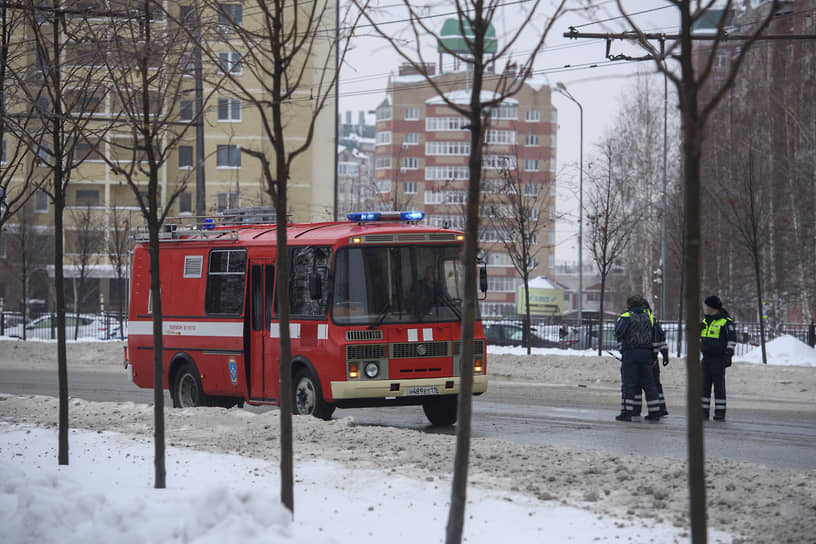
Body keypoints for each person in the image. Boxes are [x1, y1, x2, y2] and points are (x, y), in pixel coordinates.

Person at [614, 294, 662, 422]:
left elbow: (618, 332)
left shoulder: (626, 316)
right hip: (646, 354)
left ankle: (626, 412)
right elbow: (655, 334)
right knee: (649, 384)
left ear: (629, 305)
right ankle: (654, 412)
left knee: (629, 384)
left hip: (631, 353)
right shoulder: (649, 317)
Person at [631, 300, 670, 417]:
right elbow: (661, 339)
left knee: (641, 384)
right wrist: (664, 354)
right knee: (654, 385)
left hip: (645, 358)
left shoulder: (640, 320)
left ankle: (636, 409)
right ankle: (660, 408)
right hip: (651, 357)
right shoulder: (653, 320)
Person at [701, 295, 737, 421]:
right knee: (704, 387)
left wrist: (728, 355)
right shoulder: (706, 321)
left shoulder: (725, 321)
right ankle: (703, 412)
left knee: (719, 387)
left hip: (718, 359)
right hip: (706, 359)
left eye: (706, 305)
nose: (704, 308)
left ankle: (720, 413)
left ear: (712, 307)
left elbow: (732, 340)